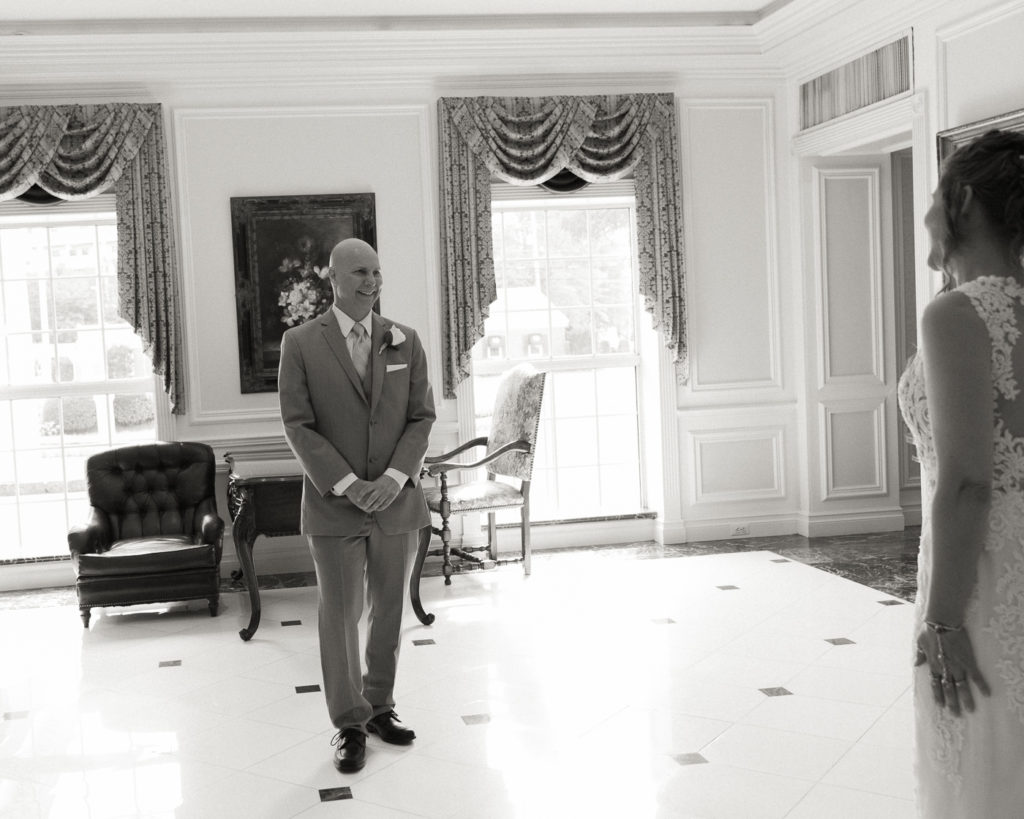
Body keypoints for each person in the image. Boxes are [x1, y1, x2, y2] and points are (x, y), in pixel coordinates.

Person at [898, 128, 1024, 816]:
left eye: (934, 194)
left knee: (980, 764)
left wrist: (943, 618)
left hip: (981, 577)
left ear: (964, 200)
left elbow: (969, 480)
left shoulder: (955, 314)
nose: (926, 213)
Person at [279, 237, 435, 773]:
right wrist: (348, 484)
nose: (371, 281)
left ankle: (380, 708)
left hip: (397, 503)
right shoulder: (299, 343)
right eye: (359, 273)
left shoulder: (406, 340)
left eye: (376, 271)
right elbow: (298, 424)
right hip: (334, 506)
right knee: (341, 617)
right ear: (333, 278)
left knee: (389, 612)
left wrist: (394, 478)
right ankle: (349, 722)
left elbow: (421, 418)